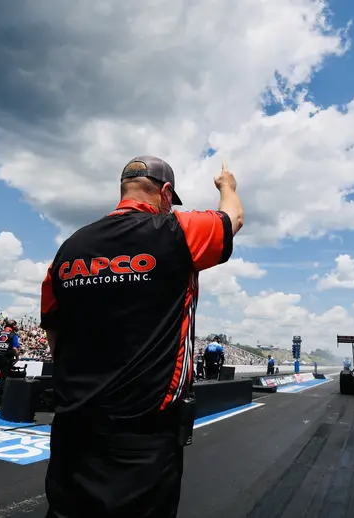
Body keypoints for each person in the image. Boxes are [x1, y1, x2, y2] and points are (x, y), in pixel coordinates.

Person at [40, 155, 243, 517]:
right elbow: (232, 219)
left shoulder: (67, 249)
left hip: (73, 427)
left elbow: (54, 333)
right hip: (143, 432)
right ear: (165, 192)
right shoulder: (174, 230)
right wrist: (227, 185)